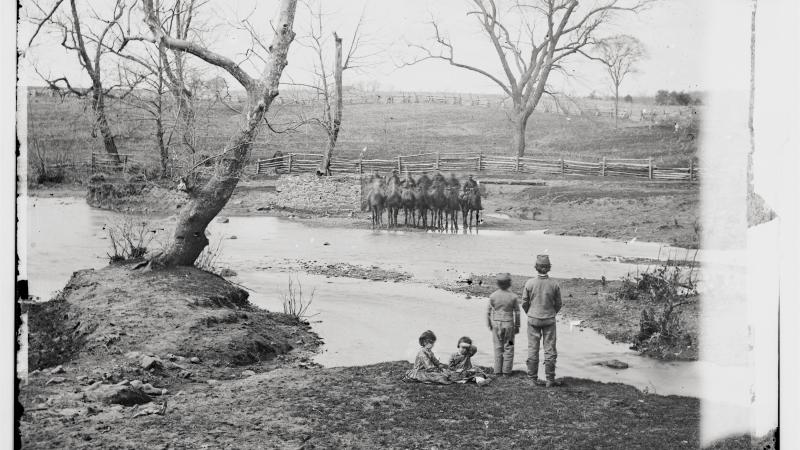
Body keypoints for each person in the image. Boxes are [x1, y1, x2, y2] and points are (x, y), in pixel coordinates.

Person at [521, 255, 563, 387]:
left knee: (533, 348)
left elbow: (524, 303)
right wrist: (551, 313)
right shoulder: (554, 284)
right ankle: (550, 379)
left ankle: (532, 379)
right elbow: (559, 304)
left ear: (536, 267)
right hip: (549, 319)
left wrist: (531, 313)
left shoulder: (529, 283)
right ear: (549, 268)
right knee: (550, 348)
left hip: (533, 318)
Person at [487, 273, 521, 376]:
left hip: (496, 325)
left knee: (498, 347)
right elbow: (517, 312)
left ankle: (497, 371)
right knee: (509, 346)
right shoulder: (513, 296)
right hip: (509, 326)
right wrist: (517, 326)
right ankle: (506, 371)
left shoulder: (493, 296)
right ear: (509, 284)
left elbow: (488, 312)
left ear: (497, 284)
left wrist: (489, 323)